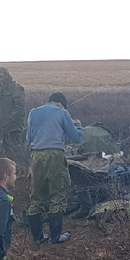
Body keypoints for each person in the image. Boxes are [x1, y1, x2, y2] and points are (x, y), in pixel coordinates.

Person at [25, 92, 84, 245]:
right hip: (55, 156)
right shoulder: (62, 112)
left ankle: (38, 238)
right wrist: (77, 124)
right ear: (61, 104)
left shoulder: (33, 112)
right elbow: (77, 138)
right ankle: (56, 237)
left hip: (35, 156)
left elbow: (28, 139)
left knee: (36, 196)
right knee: (58, 193)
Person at [0, 67, 26, 153]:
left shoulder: (16, 88)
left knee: (15, 150)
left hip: (14, 127)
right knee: (5, 151)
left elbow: (20, 107)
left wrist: (11, 118)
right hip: (4, 126)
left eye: (1, 77)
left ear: (6, 76)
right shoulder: (1, 90)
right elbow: (0, 106)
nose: (0, 80)